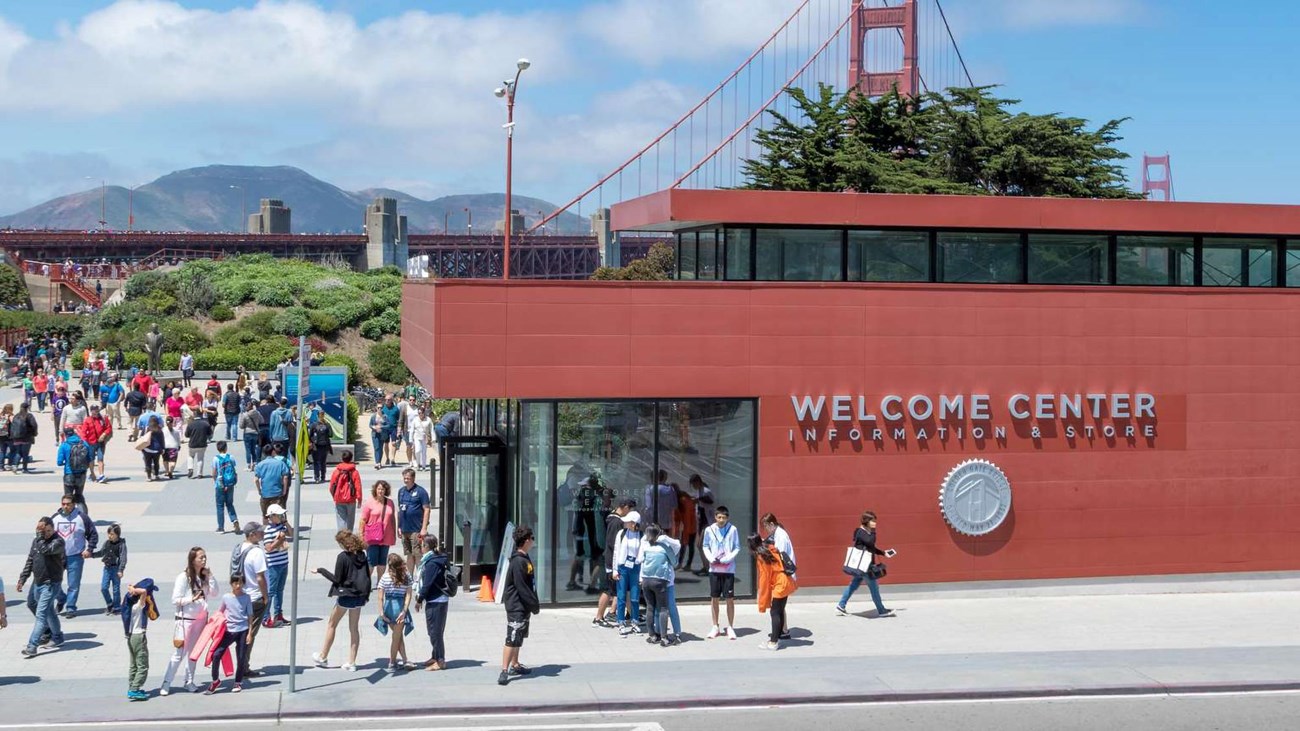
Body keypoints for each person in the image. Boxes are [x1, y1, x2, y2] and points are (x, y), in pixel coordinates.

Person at [161, 547, 218, 695]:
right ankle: (166, 682)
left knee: (194, 653)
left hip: (201, 620)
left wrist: (210, 576)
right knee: (179, 653)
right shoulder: (183, 577)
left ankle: (189, 681)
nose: (204, 560)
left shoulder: (204, 577)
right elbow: (175, 600)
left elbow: (215, 592)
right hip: (185, 620)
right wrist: (191, 599)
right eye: (201, 558)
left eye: (205, 557)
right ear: (193, 560)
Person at [311, 530, 370, 672]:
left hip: (346, 595)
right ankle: (352, 662)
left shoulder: (343, 557)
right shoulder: (362, 555)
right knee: (354, 628)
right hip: (360, 596)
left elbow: (337, 579)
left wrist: (321, 570)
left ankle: (323, 656)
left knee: (332, 624)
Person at [17, 517, 66, 656]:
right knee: (39, 606)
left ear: (53, 528)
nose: (47, 534)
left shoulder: (58, 542)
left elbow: (45, 550)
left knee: (41, 615)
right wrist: (23, 578)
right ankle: (57, 637)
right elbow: (31, 560)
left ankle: (32, 646)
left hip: (50, 584)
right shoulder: (37, 541)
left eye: (49, 531)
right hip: (37, 581)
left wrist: (40, 537)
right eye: (44, 531)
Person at [499, 526, 539, 686]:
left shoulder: (524, 558)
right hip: (517, 605)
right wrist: (534, 604)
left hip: (524, 606)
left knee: (519, 636)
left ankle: (515, 664)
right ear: (526, 540)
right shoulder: (518, 562)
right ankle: (504, 670)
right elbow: (522, 587)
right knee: (513, 636)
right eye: (532, 538)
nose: (533, 541)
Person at [836, 511, 895, 618]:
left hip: (863, 566)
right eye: (873, 521)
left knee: (853, 585)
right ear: (866, 521)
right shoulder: (861, 532)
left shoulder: (865, 532)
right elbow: (871, 542)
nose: (875, 523)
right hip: (865, 567)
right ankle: (881, 611)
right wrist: (873, 531)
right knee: (874, 588)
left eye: (875, 521)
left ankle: (841, 605)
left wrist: (883, 553)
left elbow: (871, 548)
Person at [230, 523, 268, 677]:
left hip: (241, 596)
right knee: (249, 634)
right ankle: (243, 667)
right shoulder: (257, 552)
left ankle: (241, 663)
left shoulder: (239, 549)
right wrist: (266, 596)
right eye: (260, 532)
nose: (262, 534)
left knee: (242, 631)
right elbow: (260, 578)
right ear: (252, 534)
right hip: (254, 598)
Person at [204, 573, 252, 694]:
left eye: (241, 582)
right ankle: (215, 680)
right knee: (216, 654)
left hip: (243, 630)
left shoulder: (246, 597)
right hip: (228, 631)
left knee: (241, 658)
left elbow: (250, 615)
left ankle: (238, 682)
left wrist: (250, 633)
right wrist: (215, 624)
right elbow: (220, 611)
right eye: (236, 583)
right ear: (231, 584)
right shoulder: (226, 597)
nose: (238, 585)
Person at [751, 532, 798, 651]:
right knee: (780, 610)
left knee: (774, 613)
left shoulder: (761, 556)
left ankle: (773, 642)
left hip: (779, 584)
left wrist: (762, 601)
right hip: (786, 581)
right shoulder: (770, 549)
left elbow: (764, 579)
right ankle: (778, 637)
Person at [53, 493, 97, 617]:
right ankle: (61, 599)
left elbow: (93, 534)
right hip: (57, 556)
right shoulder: (55, 518)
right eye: (63, 504)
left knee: (73, 584)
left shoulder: (82, 518)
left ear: (74, 505)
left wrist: (89, 549)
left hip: (75, 556)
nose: (65, 506)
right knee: (53, 582)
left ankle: (71, 607)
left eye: (68, 504)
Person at [593, 498, 634, 627]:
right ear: (626, 507)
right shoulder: (616, 522)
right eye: (630, 510)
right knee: (609, 590)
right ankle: (599, 618)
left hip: (613, 561)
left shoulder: (613, 519)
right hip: (613, 562)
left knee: (621, 589)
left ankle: (632, 614)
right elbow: (612, 543)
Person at [639, 524, 682, 646]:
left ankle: (652, 635)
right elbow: (674, 562)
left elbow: (640, 560)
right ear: (660, 534)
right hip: (661, 581)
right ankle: (664, 637)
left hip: (646, 580)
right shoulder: (664, 547)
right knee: (664, 609)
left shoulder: (646, 546)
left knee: (650, 608)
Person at [702, 505, 740, 640]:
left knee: (729, 599)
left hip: (728, 569)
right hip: (714, 569)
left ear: (727, 518)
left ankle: (730, 627)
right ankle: (715, 626)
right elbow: (705, 546)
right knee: (714, 598)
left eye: (724, 517)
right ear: (715, 517)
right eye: (719, 517)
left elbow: (737, 547)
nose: (721, 520)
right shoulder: (709, 530)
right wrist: (711, 558)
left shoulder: (733, 529)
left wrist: (727, 559)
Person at [415, 534, 452, 671]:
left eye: (422, 546)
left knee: (435, 632)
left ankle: (440, 660)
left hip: (436, 599)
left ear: (427, 546)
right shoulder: (436, 559)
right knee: (433, 630)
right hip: (437, 599)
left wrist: (419, 600)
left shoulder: (432, 563)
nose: (420, 548)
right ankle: (435, 656)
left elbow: (427, 584)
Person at [121, 577, 161, 701]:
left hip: (130, 636)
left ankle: (132, 687)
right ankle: (134, 689)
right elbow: (144, 591)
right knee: (143, 665)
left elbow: (136, 589)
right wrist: (137, 590)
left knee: (133, 664)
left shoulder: (129, 605)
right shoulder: (139, 605)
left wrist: (131, 588)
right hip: (139, 637)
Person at [760, 512, 797, 639]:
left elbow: (778, 556)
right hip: (784, 575)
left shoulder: (780, 536)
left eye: (766, 526)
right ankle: (782, 630)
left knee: (776, 608)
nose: (765, 529)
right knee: (780, 607)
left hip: (783, 575)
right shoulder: (778, 533)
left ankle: (778, 635)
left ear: (772, 524)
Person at [375, 554, 415, 671]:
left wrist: (382, 613)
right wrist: (404, 610)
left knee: (398, 637)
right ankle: (392, 662)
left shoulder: (385, 577)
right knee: (396, 637)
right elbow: (408, 595)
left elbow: (380, 597)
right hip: (399, 608)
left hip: (388, 609)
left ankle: (405, 659)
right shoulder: (406, 577)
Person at [359, 481, 398, 589]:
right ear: (375, 490)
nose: (381, 491)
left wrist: (395, 533)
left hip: (386, 535)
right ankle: (365, 583)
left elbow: (392, 519)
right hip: (372, 536)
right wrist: (361, 535)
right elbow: (362, 520)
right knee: (371, 560)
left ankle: (380, 583)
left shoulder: (390, 502)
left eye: (383, 489)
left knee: (382, 560)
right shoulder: (369, 503)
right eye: (379, 489)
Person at [261, 505, 294, 629]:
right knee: (271, 592)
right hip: (273, 565)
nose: (281, 516)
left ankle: (278, 615)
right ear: (272, 516)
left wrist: (286, 522)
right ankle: (265, 618)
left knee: (280, 590)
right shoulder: (268, 530)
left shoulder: (281, 526)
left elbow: (292, 534)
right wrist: (279, 541)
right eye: (279, 515)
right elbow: (268, 548)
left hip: (283, 563)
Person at [613, 510, 644, 636]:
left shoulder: (642, 536)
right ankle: (621, 622)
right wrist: (615, 570)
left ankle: (635, 622)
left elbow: (643, 557)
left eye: (628, 522)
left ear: (633, 523)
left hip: (635, 568)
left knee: (635, 597)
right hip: (623, 567)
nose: (625, 523)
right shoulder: (621, 534)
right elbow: (616, 551)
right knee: (621, 596)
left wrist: (642, 574)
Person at [397, 469, 431, 575]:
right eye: (404, 478)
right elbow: (400, 509)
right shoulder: (401, 491)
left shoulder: (421, 491)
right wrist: (399, 526)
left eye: (408, 478)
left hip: (416, 529)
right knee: (409, 554)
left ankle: (420, 577)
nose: (406, 480)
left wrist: (424, 528)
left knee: (418, 554)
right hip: (404, 529)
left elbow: (427, 509)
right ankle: (409, 578)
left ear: (413, 478)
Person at [56, 425, 92, 517]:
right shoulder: (84, 443)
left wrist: (66, 462)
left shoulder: (64, 445)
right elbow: (90, 458)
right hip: (82, 474)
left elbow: (59, 462)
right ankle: (84, 517)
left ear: (65, 434)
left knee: (68, 497)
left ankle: (69, 517)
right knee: (79, 496)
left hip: (69, 474)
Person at [93, 523, 128, 615]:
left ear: (117, 534)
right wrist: (91, 555)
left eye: (112, 534)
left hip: (116, 569)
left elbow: (123, 558)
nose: (109, 536)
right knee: (104, 588)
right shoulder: (107, 543)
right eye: (108, 533)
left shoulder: (121, 544)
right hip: (107, 568)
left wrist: (121, 570)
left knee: (116, 589)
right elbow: (101, 553)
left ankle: (117, 607)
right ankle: (109, 603)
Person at [328, 450, 363, 531]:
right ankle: (349, 536)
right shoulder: (354, 472)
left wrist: (335, 496)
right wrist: (359, 499)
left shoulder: (337, 471)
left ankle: (342, 538)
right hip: (351, 499)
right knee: (350, 520)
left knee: (341, 520)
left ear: (342, 459)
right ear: (351, 459)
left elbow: (331, 486)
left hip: (339, 499)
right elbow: (358, 486)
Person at [254, 444, 292, 517]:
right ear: (273, 452)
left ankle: (266, 526)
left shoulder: (260, 464)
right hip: (277, 493)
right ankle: (282, 526)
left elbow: (256, 480)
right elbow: (285, 477)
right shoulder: (280, 463)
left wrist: (259, 490)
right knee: (279, 514)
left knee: (265, 516)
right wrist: (284, 490)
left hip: (265, 493)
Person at [80, 404, 113, 484]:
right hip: (90, 443)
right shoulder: (87, 420)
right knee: (91, 459)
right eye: (94, 410)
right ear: (91, 411)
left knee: (100, 458)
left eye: (97, 410)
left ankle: (101, 475)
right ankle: (92, 474)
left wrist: (104, 434)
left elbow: (109, 428)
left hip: (100, 442)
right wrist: (83, 442)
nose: (96, 411)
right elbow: (83, 432)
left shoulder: (104, 418)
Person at [212, 442, 241, 535]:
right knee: (229, 504)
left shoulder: (215, 458)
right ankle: (234, 520)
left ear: (217, 448)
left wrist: (216, 481)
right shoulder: (231, 457)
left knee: (220, 506)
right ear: (226, 448)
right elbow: (234, 468)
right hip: (230, 484)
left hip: (220, 484)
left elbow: (214, 472)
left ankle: (221, 527)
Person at [643, 470, 677, 537]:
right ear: (664, 478)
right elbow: (674, 506)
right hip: (666, 524)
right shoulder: (670, 489)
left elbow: (648, 506)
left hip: (652, 523)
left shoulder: (649, 489)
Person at [8, 401, 37, 472]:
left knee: (18, 452)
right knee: (25, 454)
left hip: (16, 437)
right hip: (26, 437)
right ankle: (24, 468)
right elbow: (34, 425)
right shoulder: (29, 415)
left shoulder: (16, 416)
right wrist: (34, 433)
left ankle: (15, 465)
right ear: (27, 408)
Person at [184, 409, 213, 479]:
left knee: (191, 456)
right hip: (202, 443)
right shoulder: (205, 423)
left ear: (194, 415)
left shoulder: (190, 424)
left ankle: (190, 468)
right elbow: (210, 433)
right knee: (200, 458)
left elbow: (186, 435)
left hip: (192, 444)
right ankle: (199, 474)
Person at [238, 401, 263, 469]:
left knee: (248, 449)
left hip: (247, 433)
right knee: (253, 448)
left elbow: (241, 426)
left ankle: (248, 464)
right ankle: (254, 462)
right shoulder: (257, 413)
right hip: (255, 433)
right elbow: (262, 421)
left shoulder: (245, 415)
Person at [407, 405, 433, 472]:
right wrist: (410, 439)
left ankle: (423, 466)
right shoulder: (415, 420)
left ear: (424, 413)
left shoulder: (428, 419)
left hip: (424, 437)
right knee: (417, 451)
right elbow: (412, 430)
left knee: (424, 452)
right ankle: (418, 464)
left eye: (421, 413)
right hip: (417, 437)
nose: (420, 414)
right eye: (419, 413)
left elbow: (432, 429)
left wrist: (433, 439)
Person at [308, 415, 332, 483]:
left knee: (316, 462)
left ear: (317, 416)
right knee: (323, 462)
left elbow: (310, 435)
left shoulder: (313, 425)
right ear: (324, 416)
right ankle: (323, 477)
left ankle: (317, 477)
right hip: (325, 446)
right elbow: (331, 434)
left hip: (316, 446)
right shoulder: (327, 425)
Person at [368, 405, 386, 469]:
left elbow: (388, 425)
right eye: (378, 407)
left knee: (380, 448)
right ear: (376, 408)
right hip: (375, 434)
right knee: (376, 448)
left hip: (382, 434)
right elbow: (370, 425)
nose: (379, 409)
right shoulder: (373, 416)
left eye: (381, 408)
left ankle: (379, 462)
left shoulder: (385, 416)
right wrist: (374, 427)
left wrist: (381, 427)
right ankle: (377, 462)